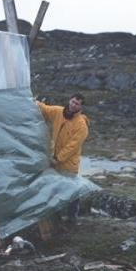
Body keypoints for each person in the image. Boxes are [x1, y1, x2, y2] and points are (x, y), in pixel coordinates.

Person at [36, 93, 89, 224]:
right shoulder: (58, 111)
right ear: (69, 100)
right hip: (53, 160)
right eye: (72, 101)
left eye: (77, 103)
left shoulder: (81, 125)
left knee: (72, 191)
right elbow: (45, 109)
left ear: (81, 107)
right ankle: (55, 216)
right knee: (54, 188)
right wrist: (33, 102)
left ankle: (72, 217)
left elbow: (72, 147)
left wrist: (58, 159)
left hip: (68, 163)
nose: (73, 105)